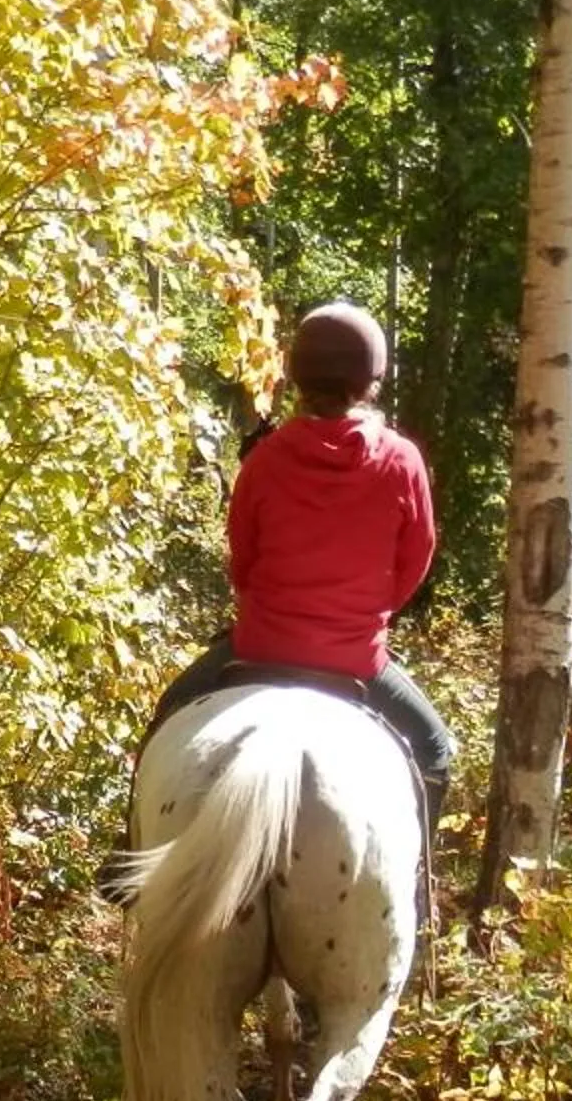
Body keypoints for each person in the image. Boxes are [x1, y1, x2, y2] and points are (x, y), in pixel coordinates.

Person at [146, 302, 454, 835]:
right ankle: (417, 880)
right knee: (434, 751)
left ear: (298, 376)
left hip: (259, 648)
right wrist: (365, 612)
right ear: (371, 379)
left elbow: (242, 561)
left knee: (166, 720)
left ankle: (128, 850)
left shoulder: (264, 458)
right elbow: (416, 558)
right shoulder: (401, 460)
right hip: (356, 658)